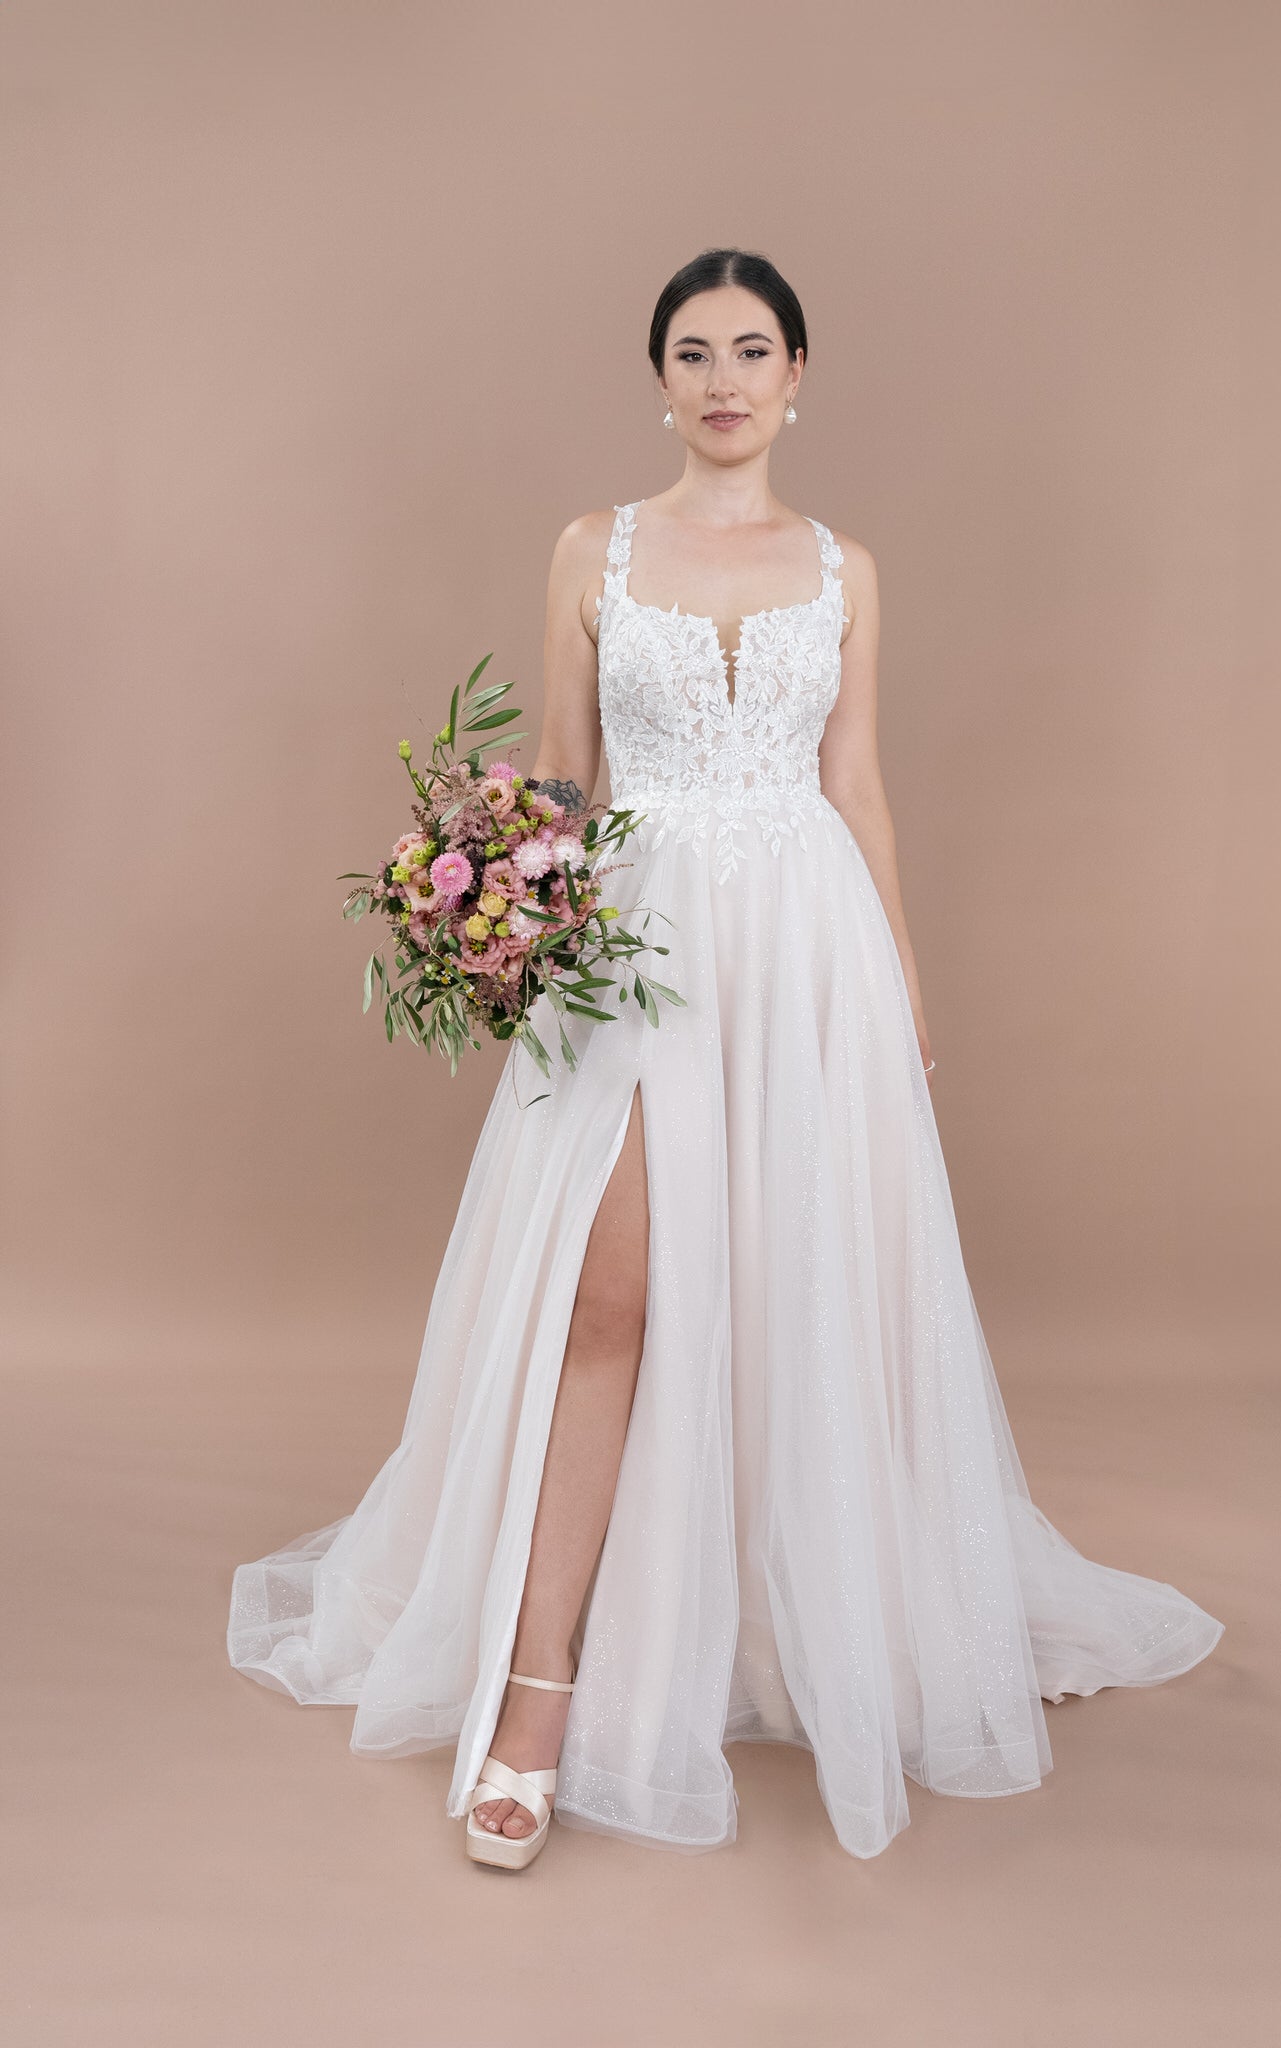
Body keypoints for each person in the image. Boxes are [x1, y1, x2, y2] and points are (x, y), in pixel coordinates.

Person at [227, 246, 1225, 1869]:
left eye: (751, 350)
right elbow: (565, 771)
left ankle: (797, 1630)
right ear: (659, 381)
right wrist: (493, 906)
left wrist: (899, 985)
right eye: (692, 352)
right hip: (640, 947)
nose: (722, 379)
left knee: (798, 1291)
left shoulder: (845, 569)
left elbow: (857, 785)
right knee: (608, 1301)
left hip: (808, 955)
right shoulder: (592, 549)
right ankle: (536, 1696)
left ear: (796, 375)